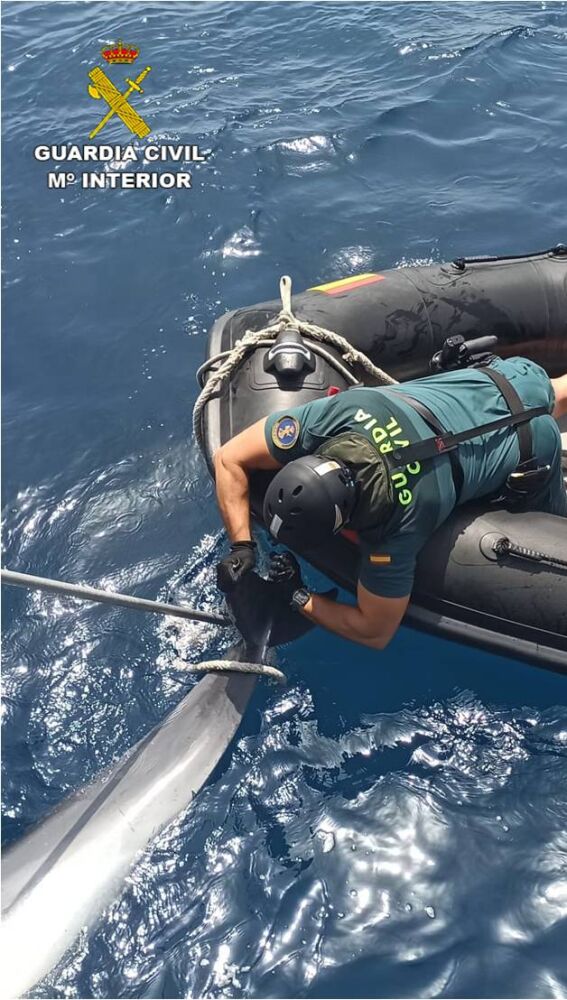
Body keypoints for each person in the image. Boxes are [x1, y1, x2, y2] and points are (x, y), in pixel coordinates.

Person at [214, 356, 567, 651]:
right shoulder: (340, 413)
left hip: (535, 446)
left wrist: (299, 597)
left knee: (553, 526)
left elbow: (374, 631)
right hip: (510, 377)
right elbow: (229, 459)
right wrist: (242, 546)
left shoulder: (396, 524)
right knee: (551, 393)